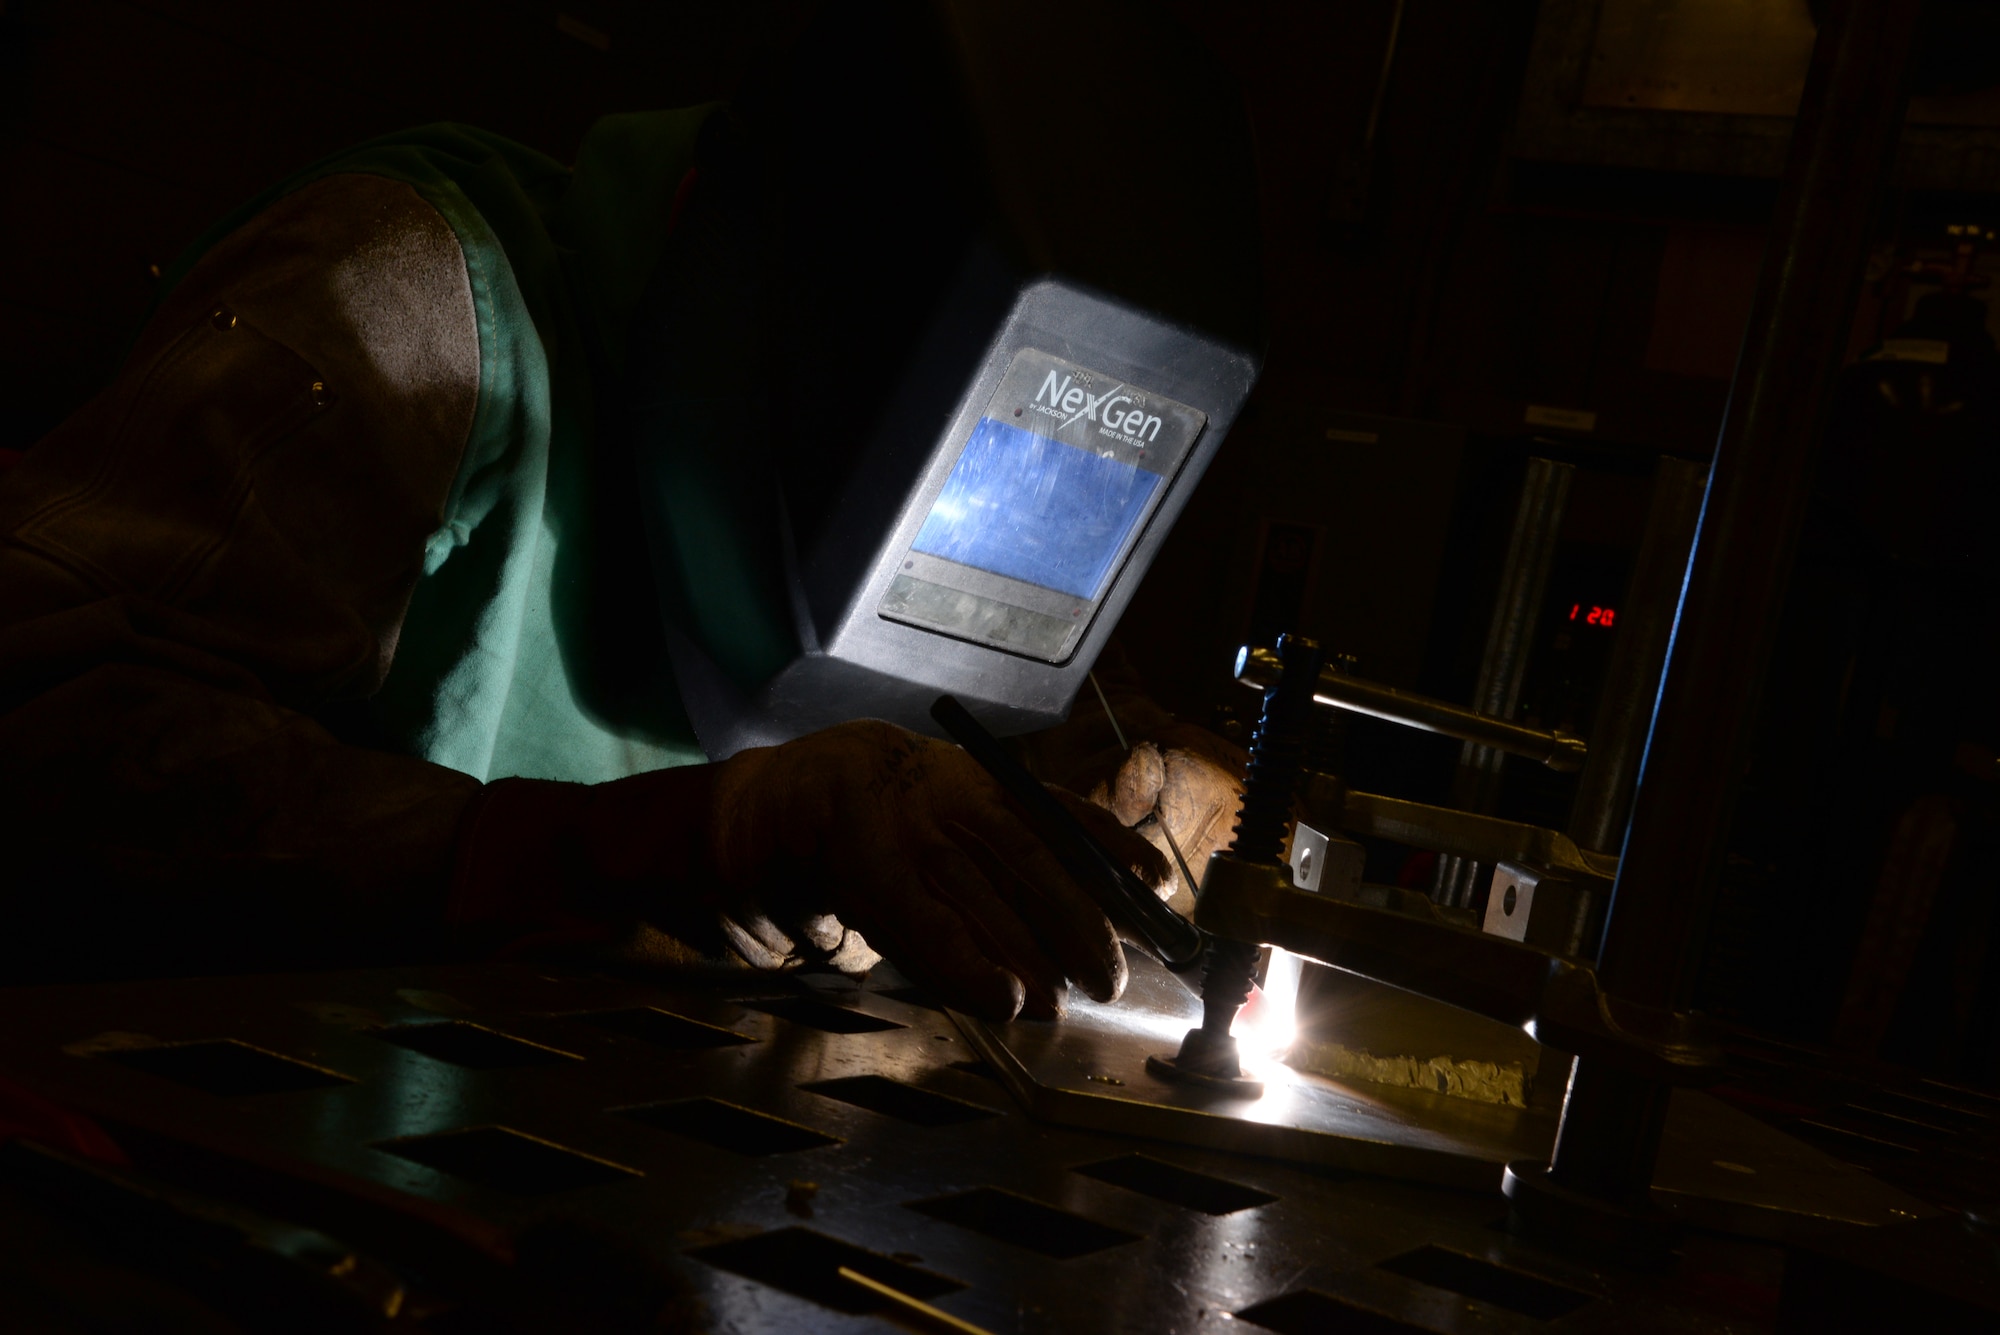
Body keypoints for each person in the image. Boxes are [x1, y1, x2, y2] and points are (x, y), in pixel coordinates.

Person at [0, 101, 1247, 1018]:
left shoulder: (1018, 420)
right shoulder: (402, 302)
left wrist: (1149, 780)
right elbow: (44, 748)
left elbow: (1024, 709)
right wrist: (647, 844)